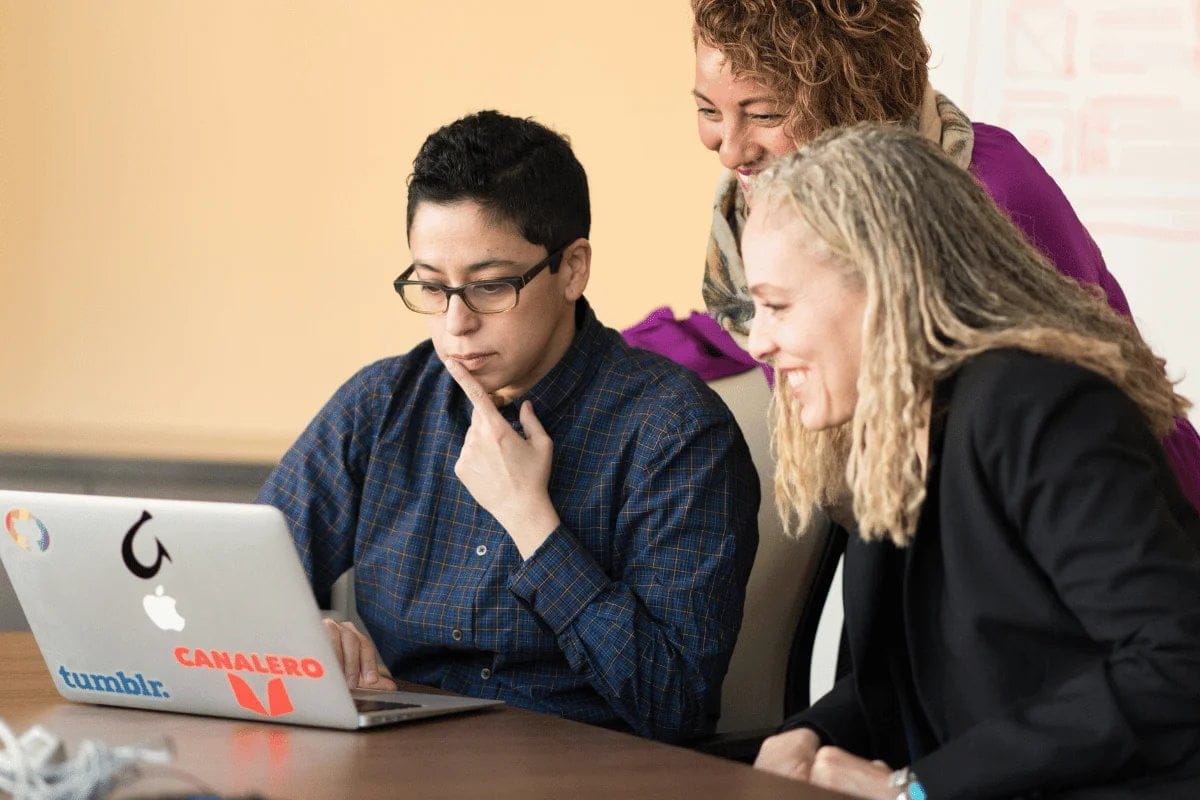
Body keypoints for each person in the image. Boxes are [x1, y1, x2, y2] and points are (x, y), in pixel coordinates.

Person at [256, 110, 759, 742]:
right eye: (433, 288)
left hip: (589, 775)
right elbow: (241, 586)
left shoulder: (675, 432)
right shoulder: (383, 405)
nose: (456, 324)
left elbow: (674, 703)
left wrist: (531, 520)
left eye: (490, 287)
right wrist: (302, 636)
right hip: (400, 765)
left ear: (572, 269)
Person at [742, 123, 1200, 799]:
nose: (758, 341)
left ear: (885, 285)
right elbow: (913, 679)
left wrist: (916, 790)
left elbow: (1178, 661)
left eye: (776, 305)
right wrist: (811, 735)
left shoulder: (1041, 406)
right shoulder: (894, 423)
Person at [690, 0, 1200, 511]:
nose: (729, 150)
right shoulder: (763, 208)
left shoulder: (988, 192)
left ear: (850, 101)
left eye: (764, 115)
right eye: (708, 111)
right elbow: (773, 321)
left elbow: (1084, 409)